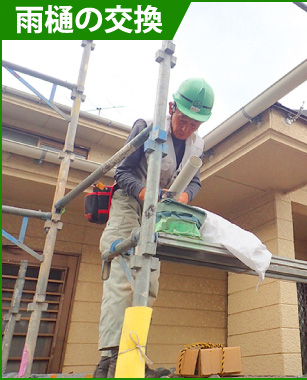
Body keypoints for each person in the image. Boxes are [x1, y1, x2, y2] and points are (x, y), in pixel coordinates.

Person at [93, 78, 215, 378]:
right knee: (122, 270)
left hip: (160, 209)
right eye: (182, 120)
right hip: (129, 200)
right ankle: (109, 360)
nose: (186, 129)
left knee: (149, 279)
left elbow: (195, 179)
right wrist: (144, 191)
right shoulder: (146, 126)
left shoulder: (198, 143)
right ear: (171, 107)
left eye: (193, 124)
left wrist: (183, 196)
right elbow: (121, 171)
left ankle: (131, 359)